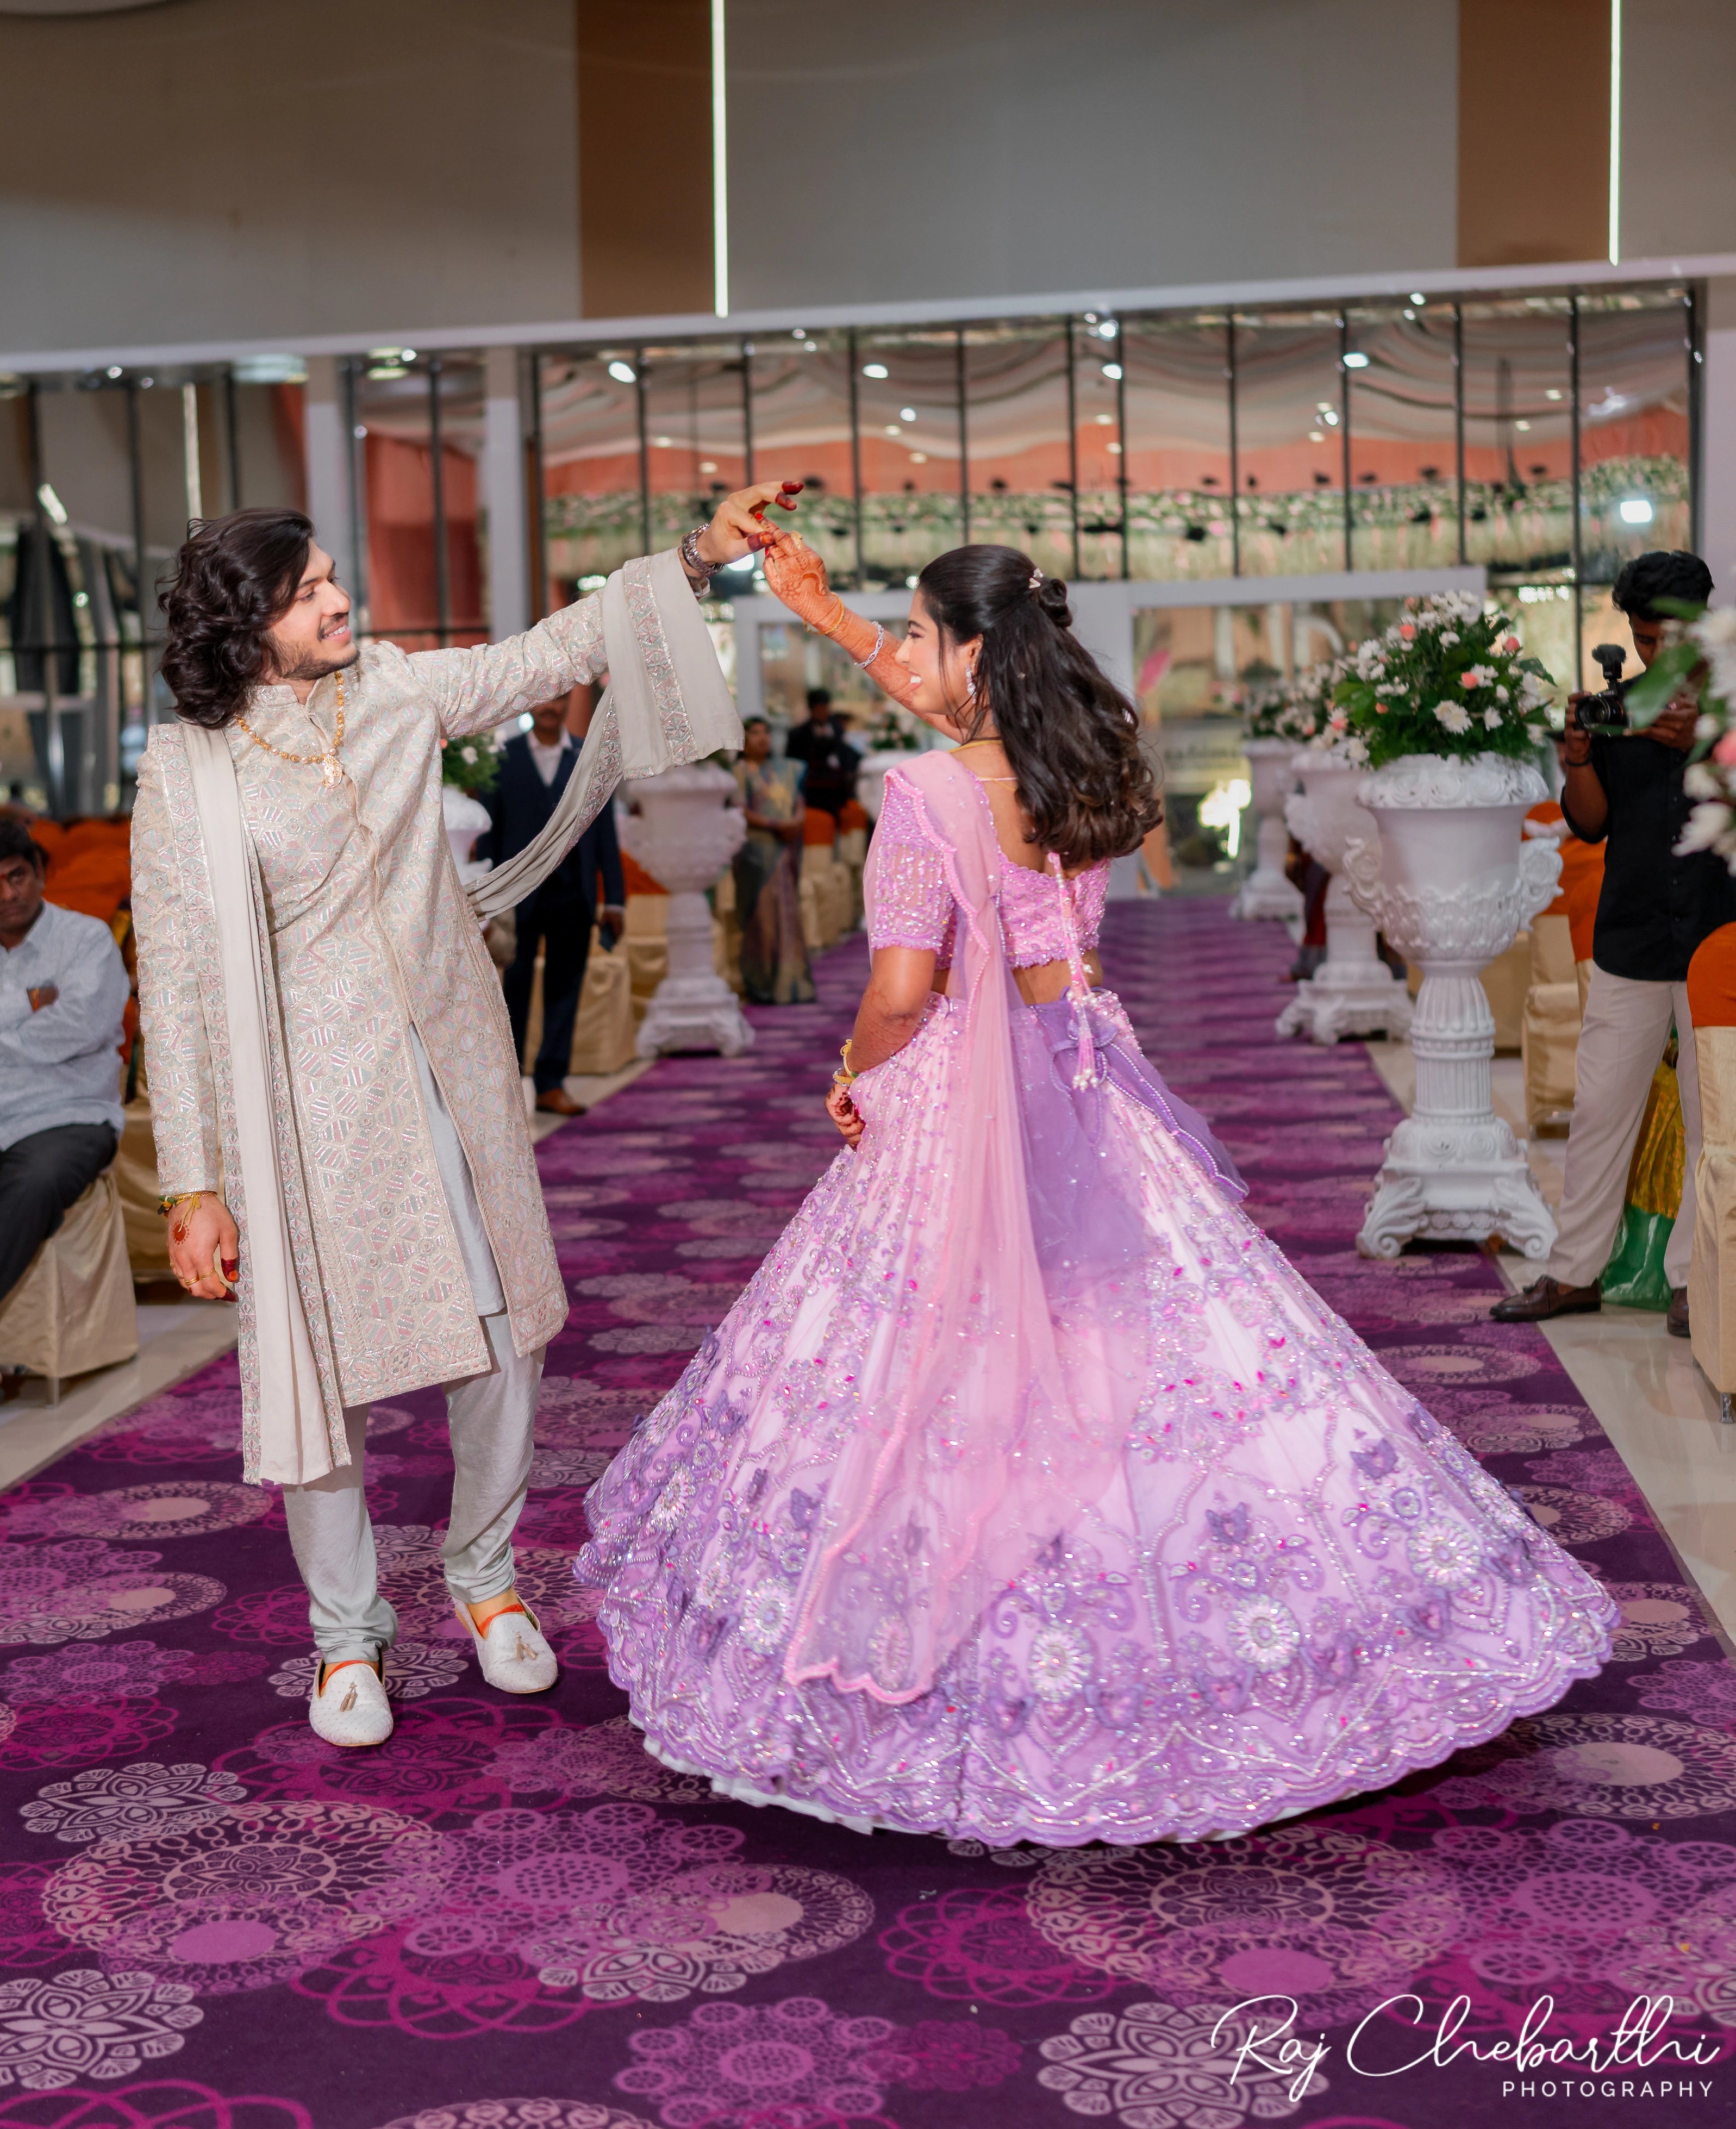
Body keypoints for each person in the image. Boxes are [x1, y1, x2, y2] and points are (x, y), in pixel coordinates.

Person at [577, 540, 1616, 1846]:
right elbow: (963, 726)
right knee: (1174, 1346)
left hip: (963, 1099)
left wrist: (852, 1071)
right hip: (1085, 1067)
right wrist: (830, 616)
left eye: (916, 634)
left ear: (964, 651)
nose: (908, 657)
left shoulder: (921, 794)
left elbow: (903, 991)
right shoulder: (1083, 760)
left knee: (929, 1369)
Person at [130, 485, 791, 1751]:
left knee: (503, 1341)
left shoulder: (393, 692)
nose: (339, 600)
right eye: (310, 589)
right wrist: (192, 1180)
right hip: (308, 1114)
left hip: (452, 1076)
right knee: (325, 1375)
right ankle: (345, 1635)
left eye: (333, 576)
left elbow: (552, 652)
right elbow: (179, 982)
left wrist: (699, 554)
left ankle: (484, 1578)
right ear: (244, 623)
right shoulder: (189, 770)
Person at [1494, 548, 1736, 1337]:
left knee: (1713, 1122)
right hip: (1630, 934)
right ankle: (1571, 1274)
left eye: (1670, 638)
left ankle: (1695, 1284)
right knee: (1598, 1109)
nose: (1656, 656)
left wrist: (1695, 741)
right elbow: (1587, 821)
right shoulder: (1616, 709)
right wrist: (1574, 756)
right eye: (1642, 640)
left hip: (1718, 941)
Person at [0, 816, 128, 1418]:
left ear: (40, 873)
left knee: (31, 1183)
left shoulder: (87, 939)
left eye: (18, 876)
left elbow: (77, 1029)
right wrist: (25, 1003)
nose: (8, 893)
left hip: (66, 1109)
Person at [491, 691, 627, 1117]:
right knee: (513, 990)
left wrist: (616, 901)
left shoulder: (587, 760)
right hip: (517, 896)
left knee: (565, 989)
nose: (551, 708)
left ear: (569, 704)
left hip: (574, 893)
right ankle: (510, 1088)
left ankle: (552, 1084)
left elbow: (605, 832)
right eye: (544, 701)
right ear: (530, 705)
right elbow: (490, 834)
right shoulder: (503, 759)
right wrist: (485, 897)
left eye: (560, 700)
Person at [731, 718, 815, 1006]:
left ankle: (791, 983)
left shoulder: (786, 769)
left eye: (765, 733)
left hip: (785, 849)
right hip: (756, 853)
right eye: (754, 733)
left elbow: (799, 802)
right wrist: (775, 824)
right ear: (743, 739)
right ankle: (763, 983)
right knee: (762, 917)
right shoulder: (738, 772)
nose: (762, 738)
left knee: (787, 913)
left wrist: (795, 822)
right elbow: (740, 810)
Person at [786, 687, 857, 825]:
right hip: (813, 790)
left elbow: (846, 755)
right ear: (811, 710)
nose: (822, 713)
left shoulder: (837, 729)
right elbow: (794, 767)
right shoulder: (798, 734)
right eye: (818, 709)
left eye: (824, 708)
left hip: (837, 788)